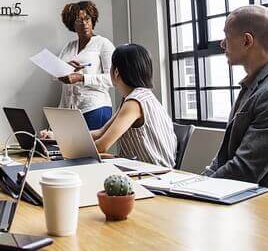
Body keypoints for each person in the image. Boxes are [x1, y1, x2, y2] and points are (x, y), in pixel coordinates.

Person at [203, 5, 268, 196]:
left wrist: (196, 189)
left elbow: (243, 171)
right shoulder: (254, 85)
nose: (222, 44)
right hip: (240, 200)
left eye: (227, 37)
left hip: (267, 210)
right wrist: (199, 181)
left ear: (247, 41)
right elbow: (223, 159)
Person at [43, 43, 176, 167]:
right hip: (143, 169)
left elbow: (102, 146)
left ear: (116, 72)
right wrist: (57, 136)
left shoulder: (134, 102)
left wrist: (64, 150)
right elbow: (101, 132)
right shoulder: (135, 97)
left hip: (153, 174)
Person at [57, 1, 114, 129]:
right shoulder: (69, 46)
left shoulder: (103, 44)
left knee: (90, 149)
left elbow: (112, 79)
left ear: (92, 20)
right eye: (79, 20)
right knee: (69, 149)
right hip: (70, 111)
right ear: (72, 23)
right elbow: (56, 73)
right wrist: (66, 69)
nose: (84, 23)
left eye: (87, 19)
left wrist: (82, 78)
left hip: (95, 107)